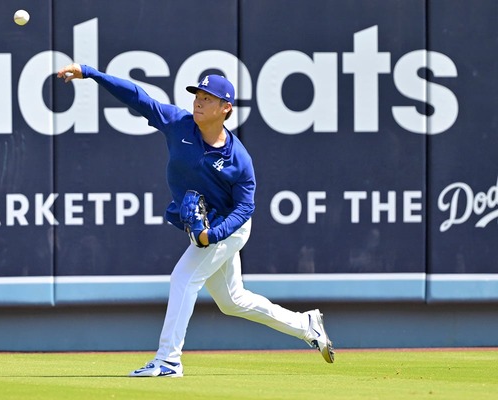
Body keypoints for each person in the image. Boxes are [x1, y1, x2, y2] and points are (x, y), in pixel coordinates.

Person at [57, 63, 335, 378]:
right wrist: (90, 73)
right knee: (233, 301)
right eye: (198, 95)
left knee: (183, 278)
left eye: (208, 98)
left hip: (229, 226)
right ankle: (306, 324)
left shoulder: (238, 160)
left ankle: (168, 360)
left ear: (226, 108)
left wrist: (213, 235)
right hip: (209, 227)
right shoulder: (179, 124)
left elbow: (245, 208)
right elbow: (138, 96)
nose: (199, 102)